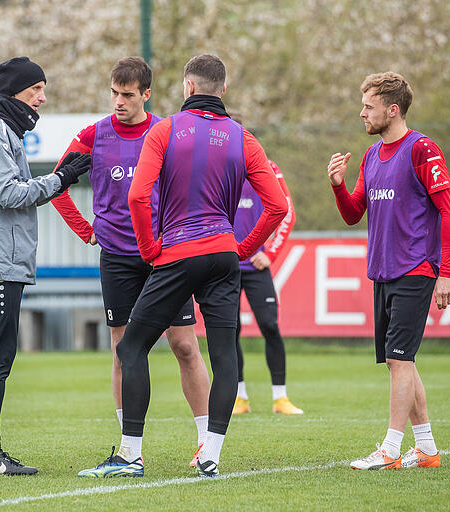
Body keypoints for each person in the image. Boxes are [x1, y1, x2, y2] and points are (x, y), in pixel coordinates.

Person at [77, 54, 288, 478]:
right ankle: (209, 453)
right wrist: (242, 248)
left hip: (177, 254)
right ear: (222, 90)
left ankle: (131, 455)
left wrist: (150, 248)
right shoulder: (244, 138)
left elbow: (138, 197)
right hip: (224, 256)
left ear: (188, 88)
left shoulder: (165, 129)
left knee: (132, 347)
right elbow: (278, 206)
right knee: (224, 353)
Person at [51, 57, 211, 461]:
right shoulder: (93, 135)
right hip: (118, 259)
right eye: (113, 93)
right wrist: (85, 229)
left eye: (127, 95)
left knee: (185, 345)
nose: (118, 102)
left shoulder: (167, 132)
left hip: (164, 257)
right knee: (123, 349)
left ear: (146, 94)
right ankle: (129, 446)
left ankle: (206, 441)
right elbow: (57, 183)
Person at [0, 57, 91, 475]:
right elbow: (9, 194)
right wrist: (61, 179)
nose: (43, 98)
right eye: (37, 90)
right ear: (16, 91)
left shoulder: (3, 130)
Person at [327, 72, 450, 470]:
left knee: (400, 360)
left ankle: (389, 450)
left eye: (369, 106)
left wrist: (447, 272)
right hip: (383, 272)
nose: (362, 113)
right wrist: (337, 185)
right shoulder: (370, 156)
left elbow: (449, 211)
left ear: (392, 109)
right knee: (401, 360)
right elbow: (353, 214)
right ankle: (428, 450)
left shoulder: (422, 149)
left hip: (415, 269)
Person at [231, 158, 303, 416]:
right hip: (225, 265)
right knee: (229, 331)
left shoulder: (268, 167)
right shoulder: (215, 164)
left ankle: (280, 398)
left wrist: (270, 253)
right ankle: (239, 397)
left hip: (257, 265)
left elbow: (287, 211)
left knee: (270, 326)